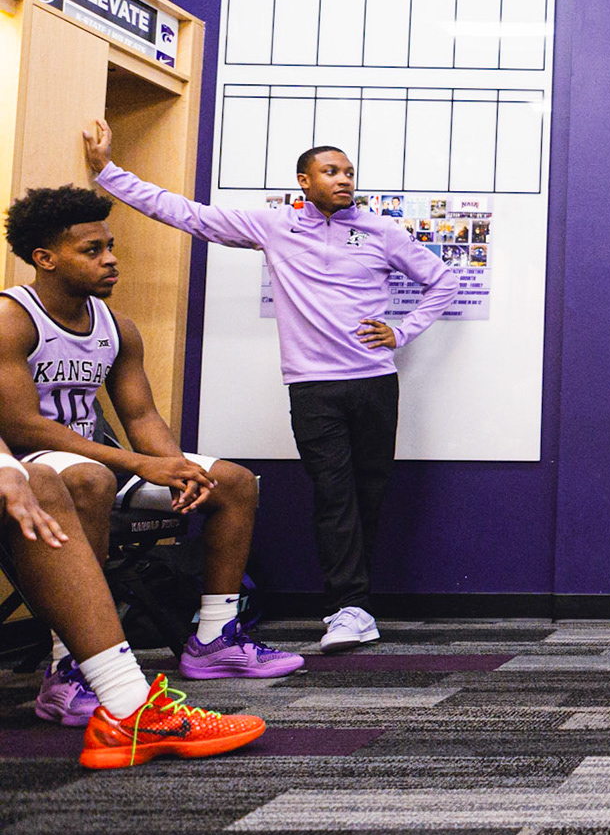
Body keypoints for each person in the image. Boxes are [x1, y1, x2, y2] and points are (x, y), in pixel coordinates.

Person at [82, 122, 456, 654]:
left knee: (367, 495)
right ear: (304, 180)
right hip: (312, 388)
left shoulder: (381, 232)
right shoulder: (274, 226)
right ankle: (346, 608)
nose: (344, 179)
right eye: (331, 171)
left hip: (375, 383)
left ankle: (358, 607)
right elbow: (188, 214)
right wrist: (108, 173)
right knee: (333, 494)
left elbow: (442, 280)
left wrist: (402, 331)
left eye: (349, 172)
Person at [0, 187, 305, 714]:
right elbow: (24, 428)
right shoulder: (13, 318)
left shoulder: (117, 327)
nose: (110, 259)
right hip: (36, 467)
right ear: (46, 259)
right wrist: (140, 463)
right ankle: (69, 669)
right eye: (91, 250)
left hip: (103, 459)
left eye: (110, 246)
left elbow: (140, 417)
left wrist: (175, 467)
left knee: (230, 481)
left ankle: (215, 639)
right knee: (86, 478)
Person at [0, 440, 266, 766]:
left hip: (81, 460)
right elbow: (20, 423)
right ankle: (89, 680)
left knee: (37, 481)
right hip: (52, 454)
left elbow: (142, 415)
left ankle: (128, 708)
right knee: (68, 478)